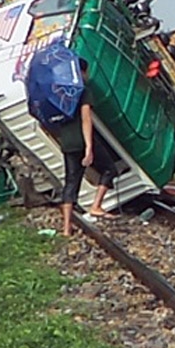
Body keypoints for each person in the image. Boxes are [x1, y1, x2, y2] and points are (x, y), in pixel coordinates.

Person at [52, 59, 118, 236]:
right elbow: (86, 119)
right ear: (80, 72)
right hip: (82, 140)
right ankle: (96, 206)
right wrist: (89, 147)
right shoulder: (83, 91)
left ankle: (66, 228)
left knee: (71, 182)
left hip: (67, 142)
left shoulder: (59, 92)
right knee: (109, 169)